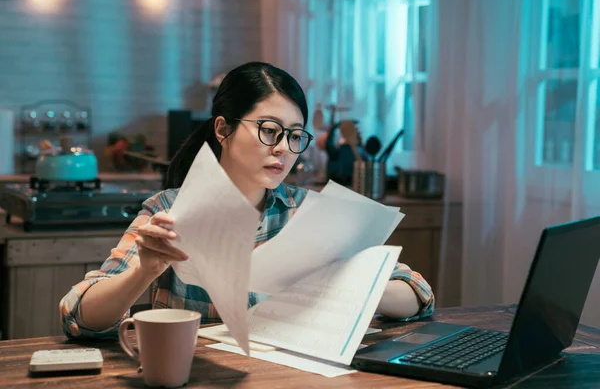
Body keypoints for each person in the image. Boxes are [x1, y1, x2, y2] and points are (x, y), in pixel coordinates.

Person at [59, 61, 434, 339]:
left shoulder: (311, 212)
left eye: (295, 136)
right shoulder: (170, 210)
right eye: (269, 130)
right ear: (223, 128)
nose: (284, 150)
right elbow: (79, 315)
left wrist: (343, 281)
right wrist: (145, 271)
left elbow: (418, 296)